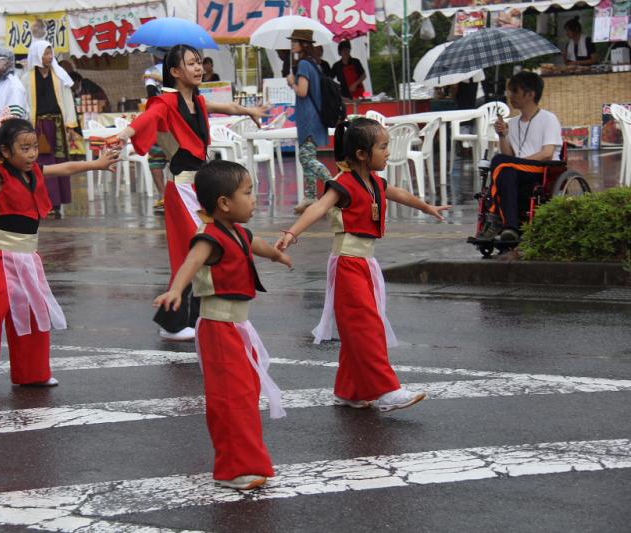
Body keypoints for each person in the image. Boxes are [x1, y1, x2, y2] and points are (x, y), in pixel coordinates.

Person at [0, 112, 120, 397]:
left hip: (29, 257)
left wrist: (98, 164)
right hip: (0, 257)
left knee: (32, 315)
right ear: (5, 151)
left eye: (34, 148)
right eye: (24, 149)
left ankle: (33, 373)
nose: (31, 155)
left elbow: (66, 168)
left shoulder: (35, 171)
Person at [277, 117, 450, 412]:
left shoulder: (375, 183)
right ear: (361, 154)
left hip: (366, 263)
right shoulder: (343, 184)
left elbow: (401, 195)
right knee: (366, 328)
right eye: (382, 147)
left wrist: (426, 207)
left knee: (360, 329)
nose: (387, 152)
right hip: (347, 263)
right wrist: (292, 233)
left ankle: (350, 390)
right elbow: (319, 207)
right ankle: (386, 389)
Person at [154, 160, 291, 490]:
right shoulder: (209, 237)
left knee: (245, 394)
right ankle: (232, 468)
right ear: (224, 203)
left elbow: (253, 244)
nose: (254, 199)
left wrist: (275, 254)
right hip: (218, 328)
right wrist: (175, 289)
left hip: (239, 326)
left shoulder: (238, 231)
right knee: (230, 398)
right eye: (247, 193)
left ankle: (247, 463)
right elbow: (192, 262)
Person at [116, 44, 268, 342]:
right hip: (181, 188)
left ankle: (191, 317)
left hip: (200, 186)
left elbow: (227, 107)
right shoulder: (165, 102)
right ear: (174, 72)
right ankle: (172, 323)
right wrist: (123, 135)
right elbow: (145, 120)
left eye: (199, 63)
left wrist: (249, 110)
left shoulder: (197, 100)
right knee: (196, 249)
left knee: (206, 247)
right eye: (191, 63)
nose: (198, 68)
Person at [474, 71, 562, 244]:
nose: (510, 96)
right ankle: (511, 228)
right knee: (505, 169)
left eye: (515, 91)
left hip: (540, 169)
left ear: (530, 94)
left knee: (499, 161)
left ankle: (494, 215)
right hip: (517, 170)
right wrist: (503, 135)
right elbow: (509, 156)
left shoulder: (548, 119)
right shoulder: (512, 123)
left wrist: (520, 162)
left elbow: (547, 153)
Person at [21, 40, 79, 219]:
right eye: (45, 53)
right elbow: (23, 104)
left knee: (58, 164)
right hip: (37, 127)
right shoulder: (26, 79)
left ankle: (55, 203)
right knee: (40, 164)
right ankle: (40, 202)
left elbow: (68, 100)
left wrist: (70, 125)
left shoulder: (59, 76)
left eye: (50, 53)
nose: (49, 57)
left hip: (57, 125)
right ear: (38, 55)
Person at [286, 29, 332, 214]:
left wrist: (291, 82)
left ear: (303, 44)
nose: (292, 44)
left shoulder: (304, 64)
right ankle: (310, 196)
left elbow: (302, 91)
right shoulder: (313, 64)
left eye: (294, 41)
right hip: (313, 116)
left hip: (309, 118)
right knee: (308, 158)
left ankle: (335, 184)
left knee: (305, 157)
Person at [144, 49, 168, 211]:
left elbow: (151, 95)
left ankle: (163, 195)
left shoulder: (150, 72)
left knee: (156, 159)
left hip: (160, 120)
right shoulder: (182, 71)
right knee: (180, 160)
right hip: (179, 120)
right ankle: (180, 197)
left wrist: (155, 77)